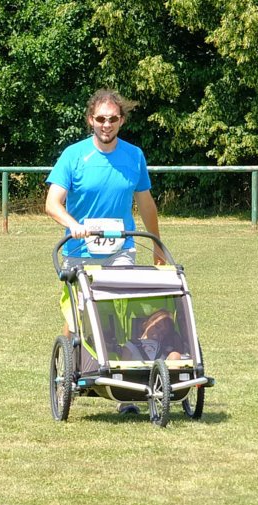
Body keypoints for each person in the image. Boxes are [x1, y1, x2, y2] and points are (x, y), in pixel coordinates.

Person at [45, 88, 164, 335]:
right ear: (91, 120)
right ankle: (68, 366)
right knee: (79, 313)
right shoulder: (74, 155)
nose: (106, 125)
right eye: (100, 119)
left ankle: (113, 369)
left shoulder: (134, 156)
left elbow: (145, 203)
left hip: (120, 249)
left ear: (121, 120)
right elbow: (52, 203)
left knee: (116, 311)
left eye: (112, 119)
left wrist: (157, 245)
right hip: (80, 249)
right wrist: (74, 225)